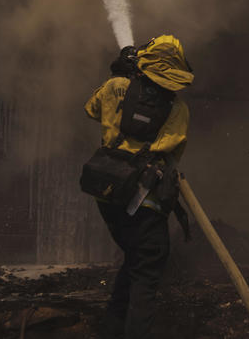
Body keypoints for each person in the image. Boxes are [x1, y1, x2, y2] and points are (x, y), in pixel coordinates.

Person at [84, 35, 194, 339]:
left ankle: (112, 330)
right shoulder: (178, 109)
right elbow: (174, 152)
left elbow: (92, 110)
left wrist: (119, 77)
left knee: (135, 258)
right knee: (148, 266)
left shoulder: (114, 86)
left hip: (106, 192)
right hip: (144, 201)